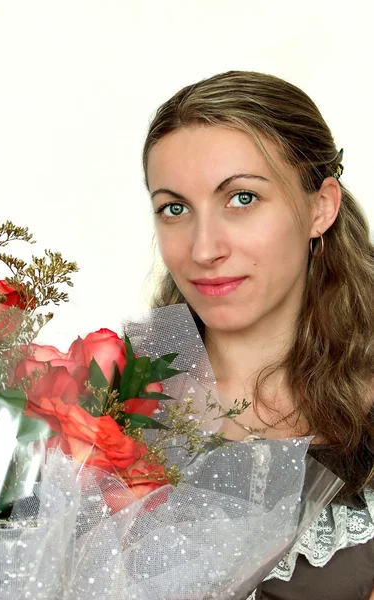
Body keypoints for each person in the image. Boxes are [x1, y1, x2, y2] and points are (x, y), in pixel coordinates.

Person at [142, 71, 374, 599]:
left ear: (321, 207)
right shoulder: (100, 402)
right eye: (174, 209)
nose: (204, 249)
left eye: (242, 198)